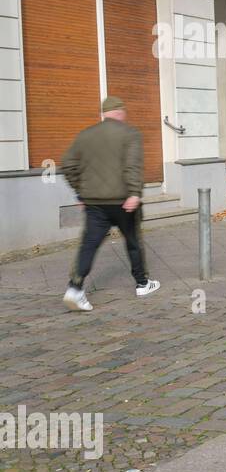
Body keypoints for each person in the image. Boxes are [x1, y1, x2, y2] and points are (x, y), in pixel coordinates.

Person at [61, 96, 160, 312]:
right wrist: (134, 193)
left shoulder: (85, 135)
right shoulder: (130, 134)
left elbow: (67, 165)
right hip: (124, 202)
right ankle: (142, 283)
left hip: (94, 204)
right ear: (120, 112)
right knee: (133, 240)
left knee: (89, 244)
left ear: (104, 114)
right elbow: (133, 166)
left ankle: (75, 288)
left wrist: (79, 192)